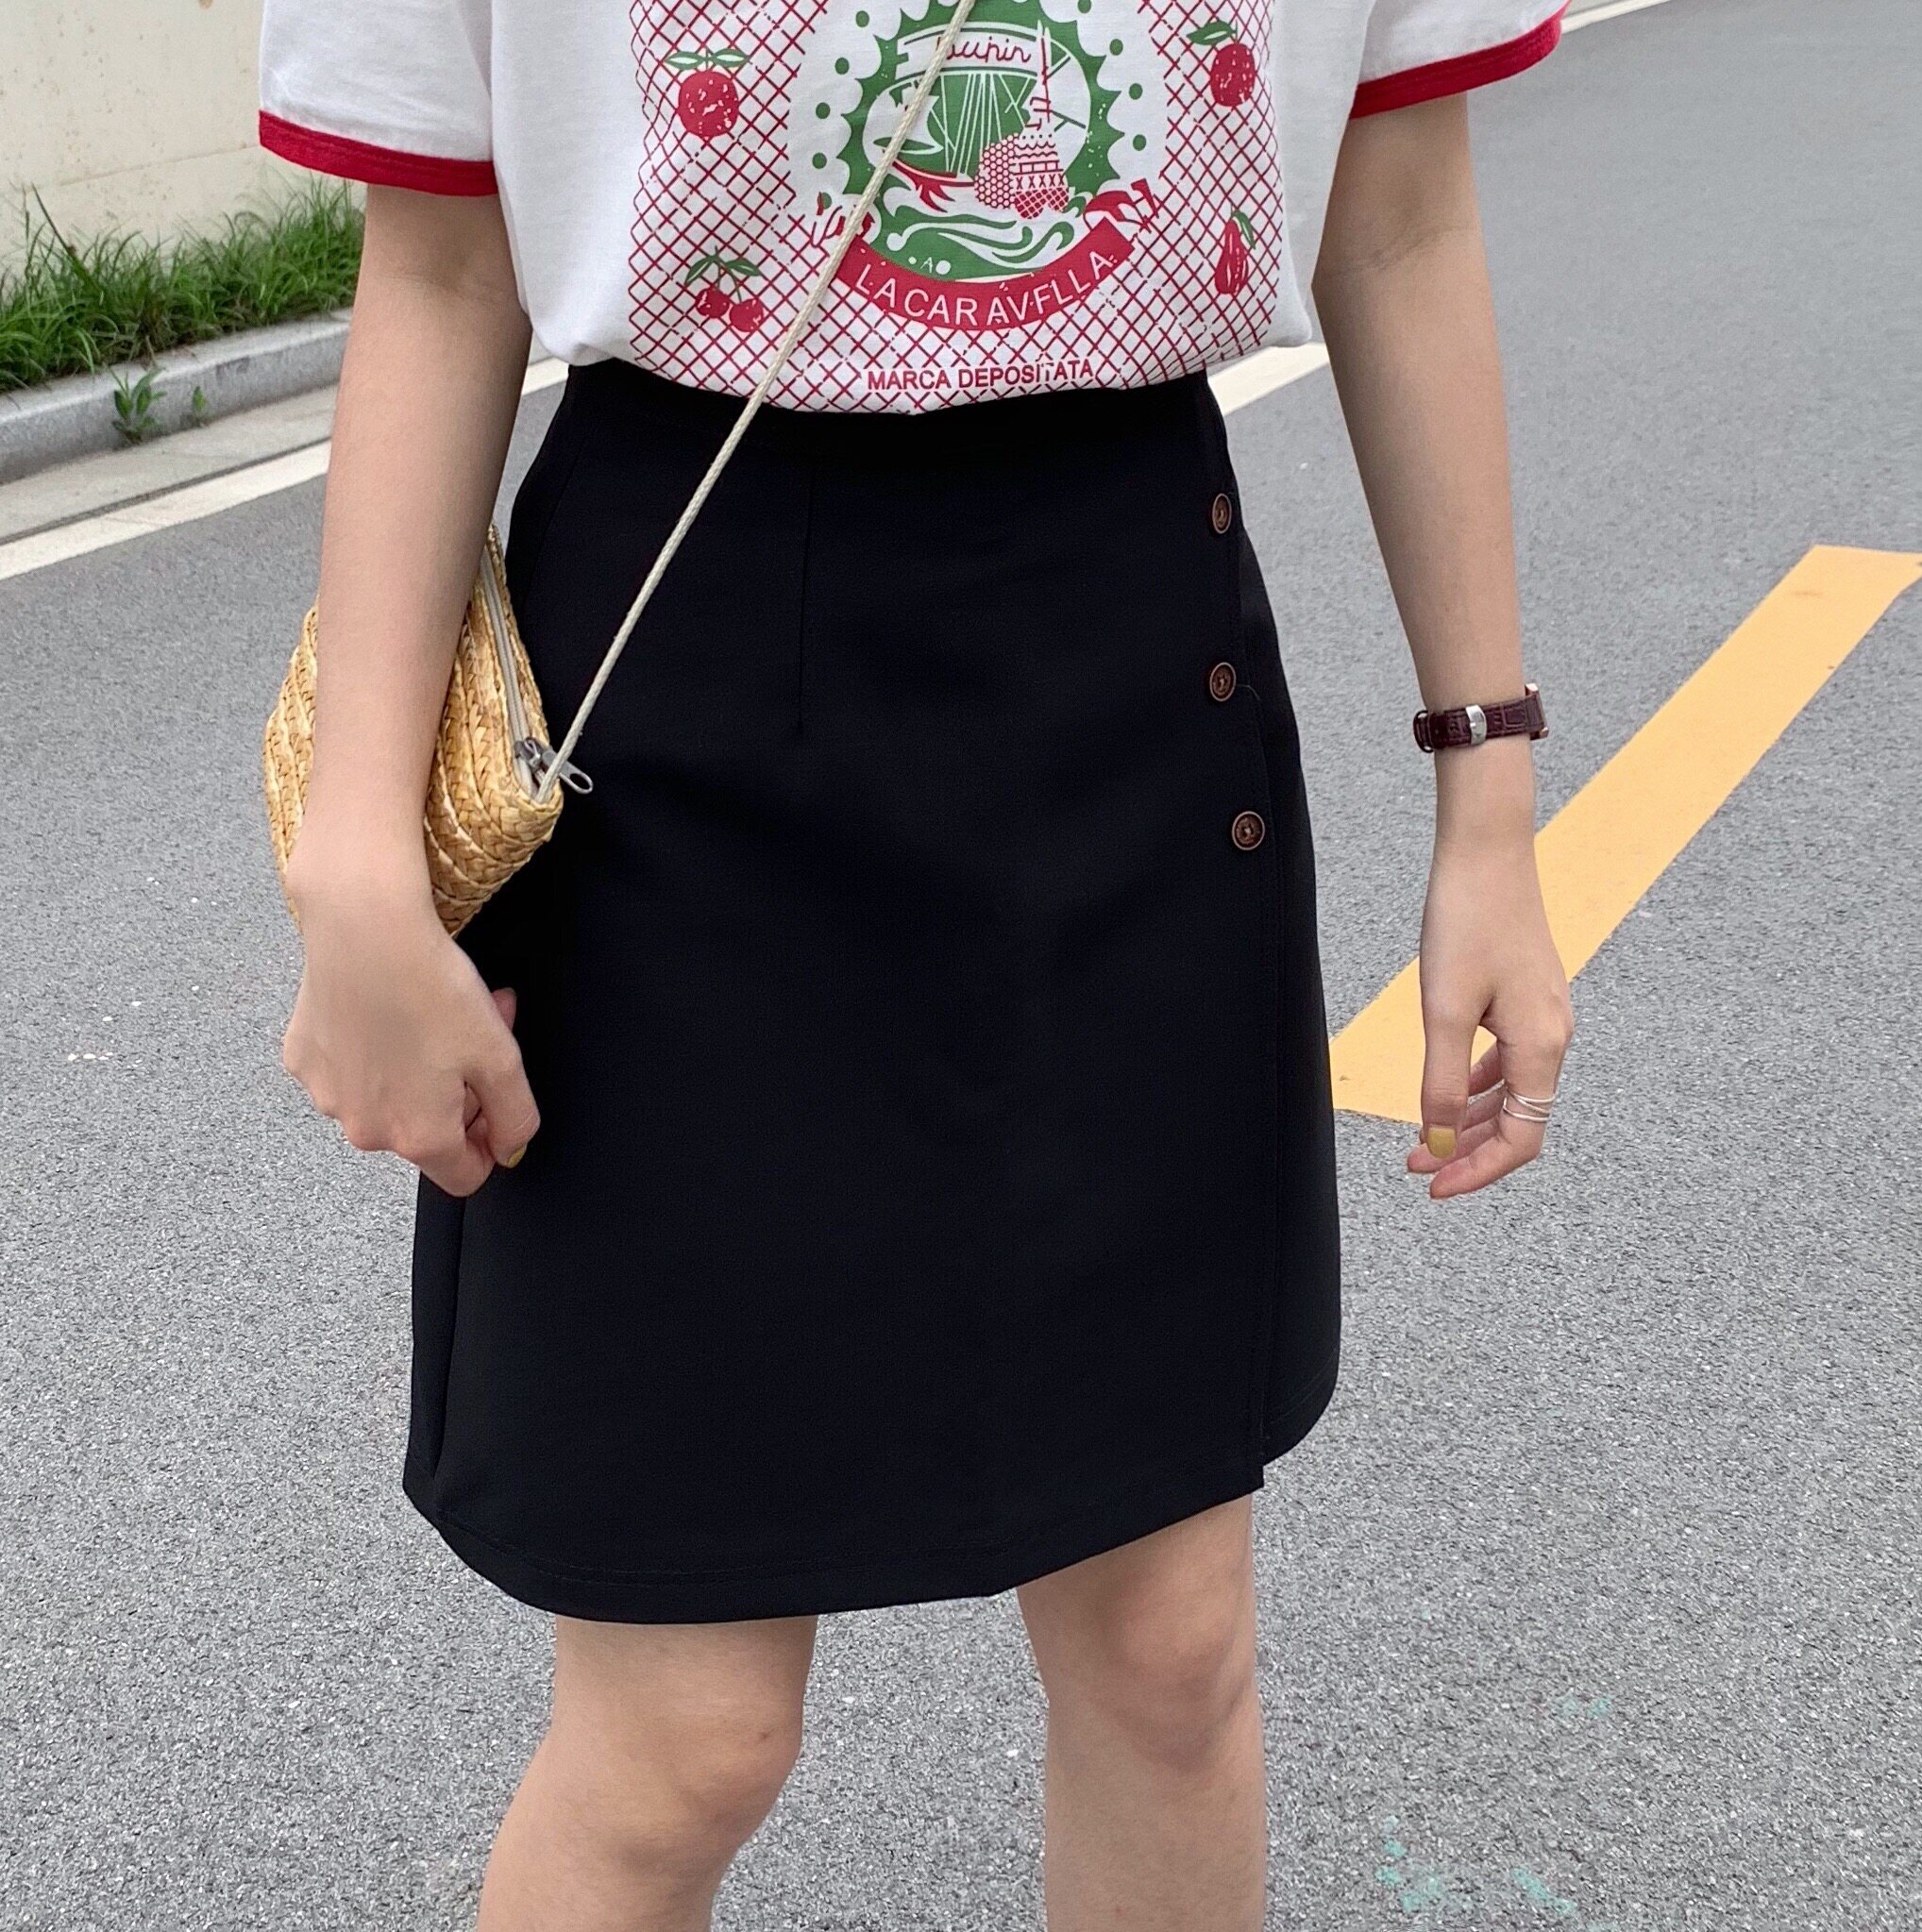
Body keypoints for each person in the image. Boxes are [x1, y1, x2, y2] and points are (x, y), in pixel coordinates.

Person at [261, 0, 1573, 1920]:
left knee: (1168, 1655)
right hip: (680, 669)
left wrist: (1491, 802)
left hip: (1127, 657)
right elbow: (444, 266)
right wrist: (358, 860)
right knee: (684, 1738)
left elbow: (1399, 220)